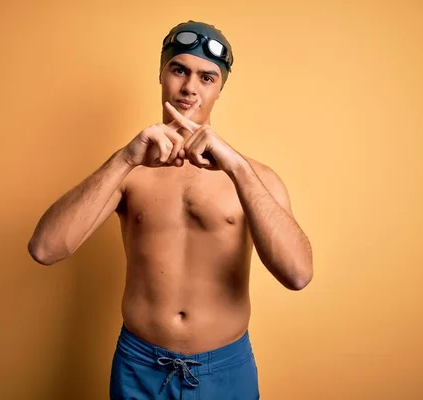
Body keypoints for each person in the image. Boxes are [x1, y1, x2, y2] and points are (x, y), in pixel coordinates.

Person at [28, 20, 313, 400]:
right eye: (179, 70)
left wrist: (238, 169)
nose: (190, 88)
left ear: (220, 89)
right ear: (161, 74)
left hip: (225, 368)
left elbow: (297, 274)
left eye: (207, 78)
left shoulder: (254, 177)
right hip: (140, 366)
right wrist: (124, 159)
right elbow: (46, 249)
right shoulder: (129, 171)